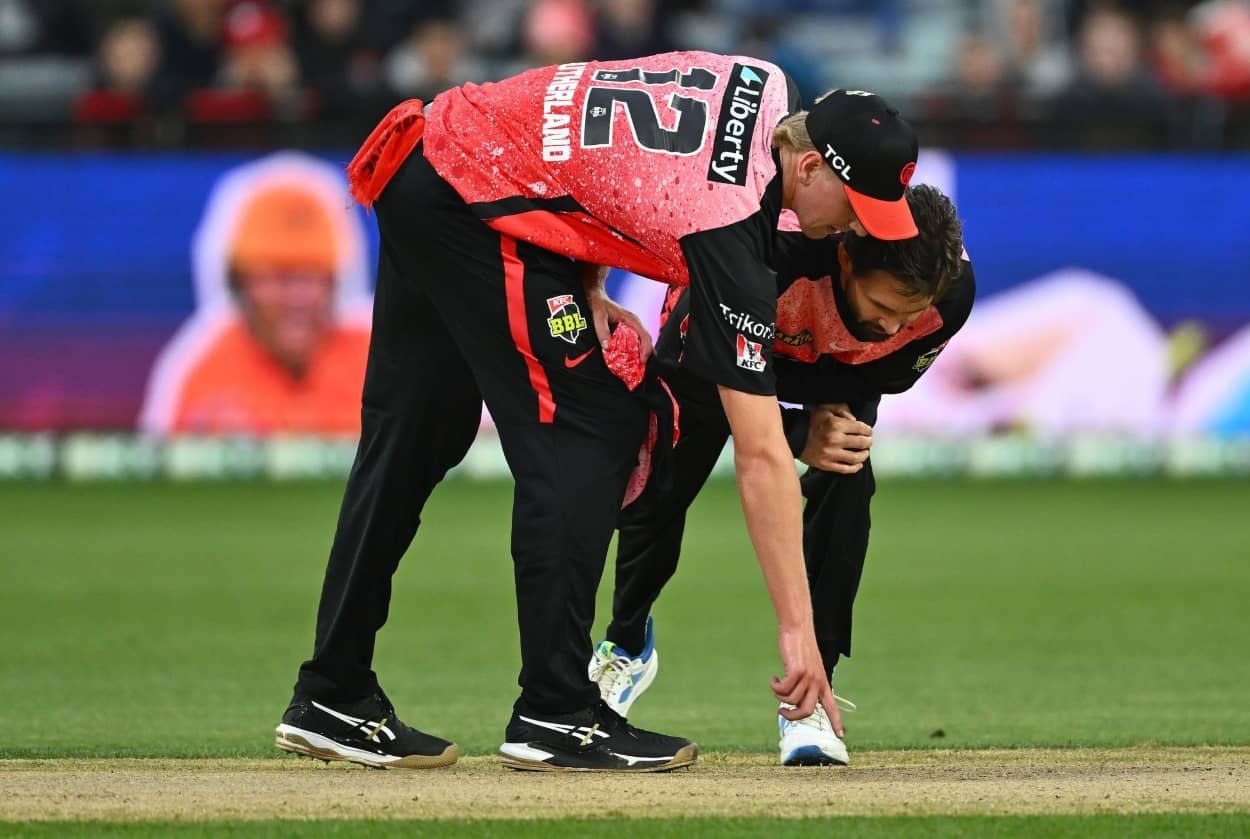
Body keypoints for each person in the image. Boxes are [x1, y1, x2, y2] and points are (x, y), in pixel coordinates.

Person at [274, 52, 920, 772]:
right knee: (590, 430)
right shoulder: (729, 217)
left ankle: (332, 692)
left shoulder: (761, 80)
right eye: (858, 210)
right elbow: (763, 451)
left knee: (414, 436)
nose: (855, 232)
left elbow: (594, 137)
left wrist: (587, 281)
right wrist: (799, 633)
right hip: (475, 201)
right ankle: (555, 712)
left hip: (434, 159)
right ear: (808, 170)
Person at [588, 184, 974, 765]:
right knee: (660, 487)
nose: (896, 326)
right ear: (846, 257)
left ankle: (811, 695)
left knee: (846, 476)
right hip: (715, 351)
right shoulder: (770, 255)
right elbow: (691, 374)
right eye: (884, 306)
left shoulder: (949, 300)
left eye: (909, 314)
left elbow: (883, 370)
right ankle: (626, 640)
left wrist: (822, 423)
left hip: (834, 370)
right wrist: (793, 435)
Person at [139, 151, 372, 436]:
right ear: (241, 284)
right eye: (279, 277)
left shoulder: (380, 358)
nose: (297, 298)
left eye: (312, 276)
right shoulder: (201, 369)